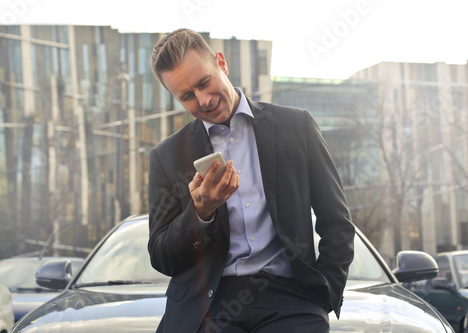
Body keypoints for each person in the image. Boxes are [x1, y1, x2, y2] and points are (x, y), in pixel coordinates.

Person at [148, 28, 355, 333]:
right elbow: (162, 256)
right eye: (188, 96)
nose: (203, 100)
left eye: (204, 83)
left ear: (221, 63)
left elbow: (336, 220)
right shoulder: (166, 157)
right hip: (207, 305)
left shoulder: (296, 127)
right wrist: (200, 214)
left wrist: (324, 293)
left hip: (292, 297)